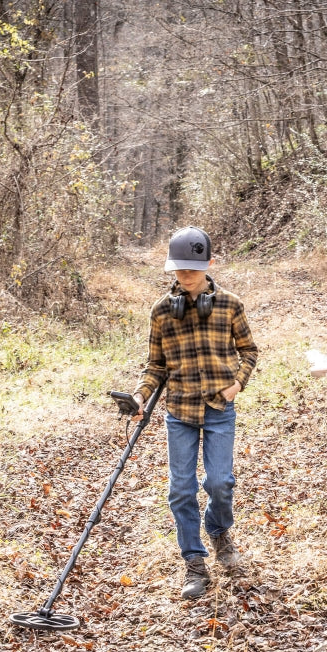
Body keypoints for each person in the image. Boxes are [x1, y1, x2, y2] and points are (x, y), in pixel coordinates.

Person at [131, 226, 258, 600]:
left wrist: (237, 383)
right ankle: (194, 561)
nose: (184, 277)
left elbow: (249, 350)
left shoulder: (230, 305)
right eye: (178, 271)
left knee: (220, 482)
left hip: (220, 407)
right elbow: (155, 365)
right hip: (180, 411)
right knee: (180, 488)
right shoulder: (161, 313)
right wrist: (140, 396)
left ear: (209, 265)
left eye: (191, 270)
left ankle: (219, 531)